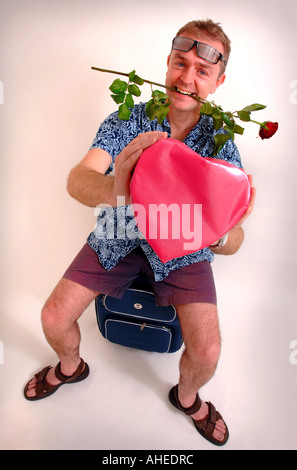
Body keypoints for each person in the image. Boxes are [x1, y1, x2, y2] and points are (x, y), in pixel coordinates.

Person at [24, 19, 256, 446]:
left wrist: (219, 231)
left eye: (201, 72)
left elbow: (235, 238)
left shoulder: (222, 140)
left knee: (208, 350)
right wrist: (122, 192)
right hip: (120, 226)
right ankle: (71, 368)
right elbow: (77, 179)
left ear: (218, 82)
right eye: (180, 63)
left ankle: (187, 399)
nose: (187, 78)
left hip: (186, 243)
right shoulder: (128, 118)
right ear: (167, 62)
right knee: (53, 316)